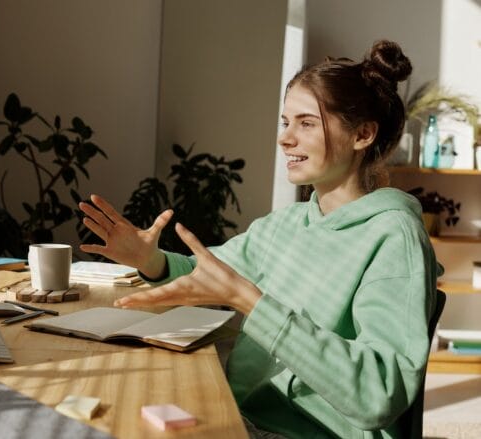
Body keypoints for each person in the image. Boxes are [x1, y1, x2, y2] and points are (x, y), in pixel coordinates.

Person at [78, 40, 440, 438]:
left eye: (306, 123)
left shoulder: (393, 236)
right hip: (242, 416)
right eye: (285, 122)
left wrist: (249, 301)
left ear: (363, 134)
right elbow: (212, 274)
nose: (285, 139)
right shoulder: (287, 224)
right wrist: (151, 260)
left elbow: (378, 394)